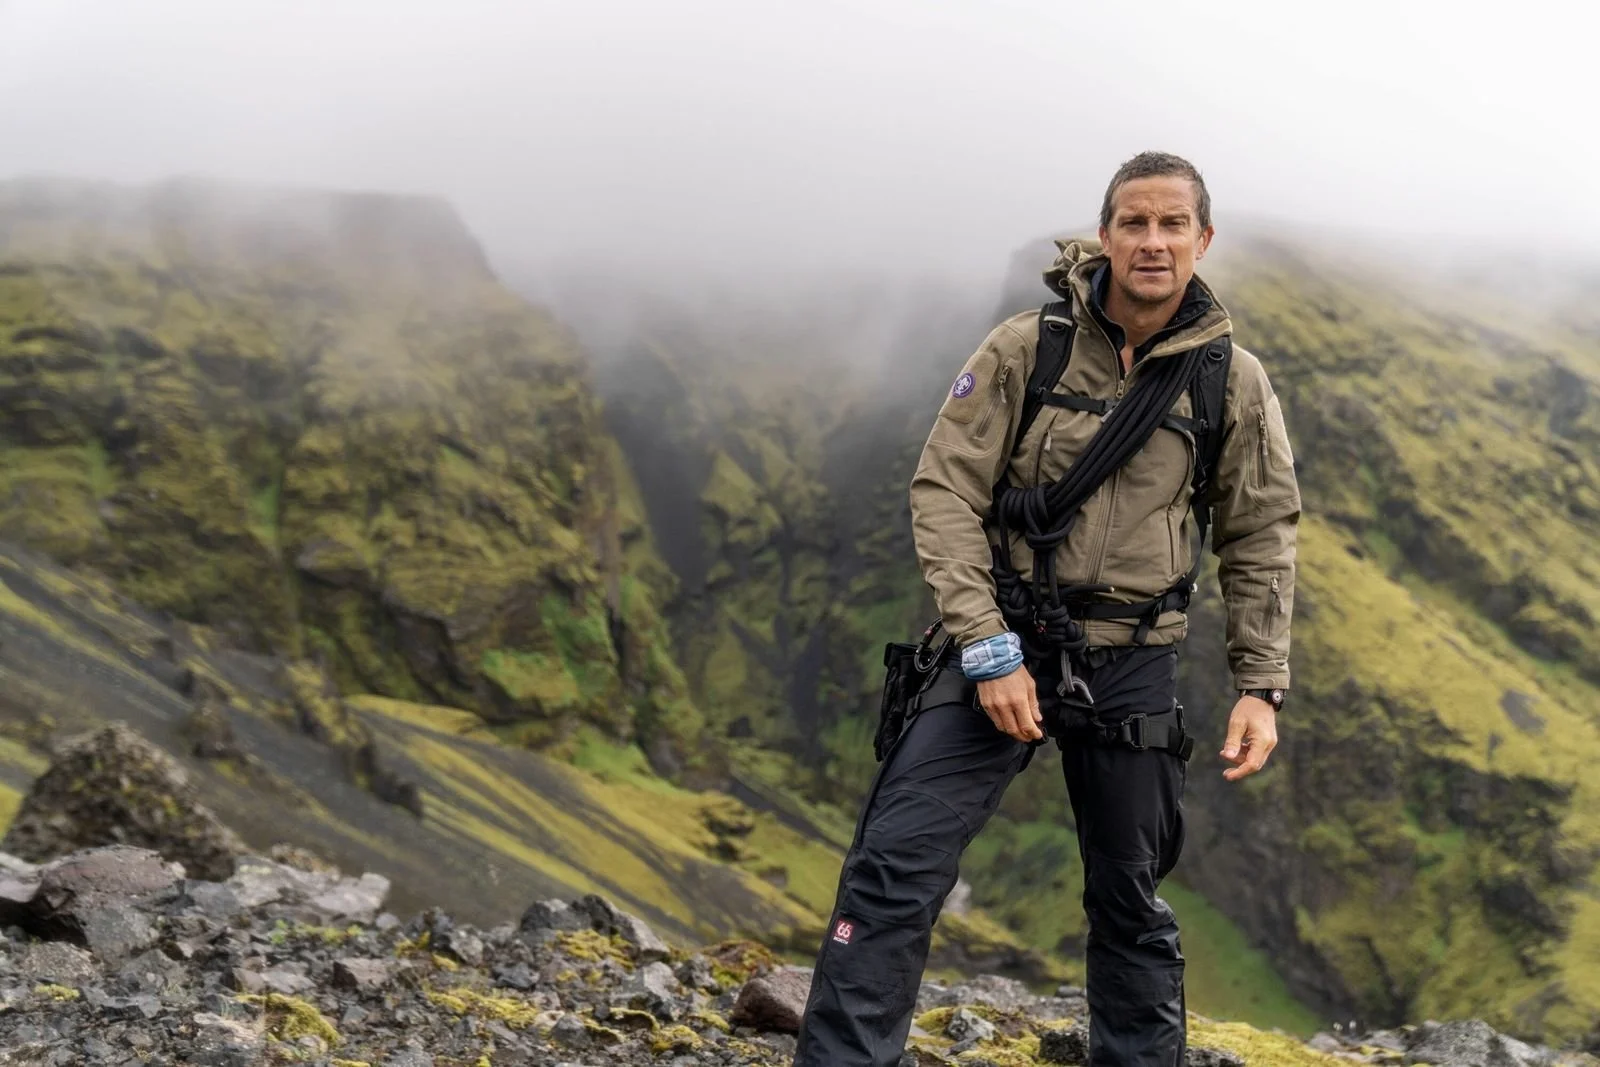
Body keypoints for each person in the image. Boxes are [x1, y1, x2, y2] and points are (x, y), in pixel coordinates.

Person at [792, 151, 1301, 1067]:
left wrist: (1260, 685)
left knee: (1130, 895)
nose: (1152, 242)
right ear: (1105, 234)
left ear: (1203, 239)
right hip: (1000, 633)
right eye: (1134, 223)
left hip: (1133, 652)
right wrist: (986, 647)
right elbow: (943, 490)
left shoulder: (1232, 381)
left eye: (1171, 224)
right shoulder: (1028, 347)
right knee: (893, 869)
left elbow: (1261, 532)